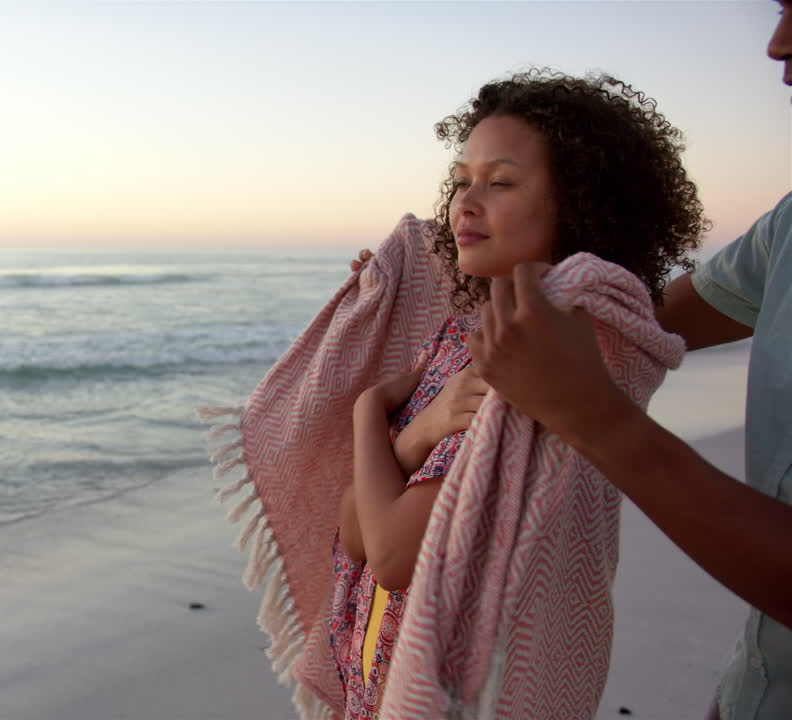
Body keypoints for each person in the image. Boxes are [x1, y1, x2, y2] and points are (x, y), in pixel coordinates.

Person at [329, 68, 708, 719]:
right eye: (461, 181)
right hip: (373, 687)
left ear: (583, 206)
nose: (465, 204)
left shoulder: (531, 366)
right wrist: (415, 435)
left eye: (500, 182)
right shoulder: (460, 337)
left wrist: (370, 409)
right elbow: (350, 528)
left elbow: (389, 551)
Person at [448, 8, 792, 720]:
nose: (776, 43)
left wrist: (591, 414)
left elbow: (385, 549)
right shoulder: (787, 229)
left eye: (502, 183)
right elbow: (641, 318)